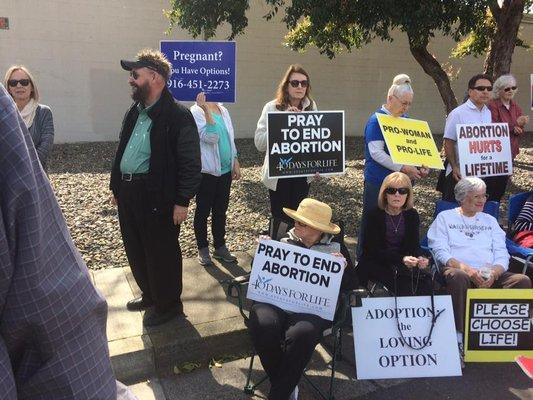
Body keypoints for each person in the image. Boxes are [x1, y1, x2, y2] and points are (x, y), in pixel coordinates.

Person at [0, 83, 118, 398]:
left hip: (33, 180)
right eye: (13, 83)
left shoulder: (27, 116)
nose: (18, 88)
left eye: (24, 82)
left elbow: (54, 310)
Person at [109, 49, 201, 327]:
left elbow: (189, 163)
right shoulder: (134, 112)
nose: (131, 80)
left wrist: (182, 201)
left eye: (135, 75)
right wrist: (116, 185)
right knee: (135, 247)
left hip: (157, 196)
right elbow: (123, 149)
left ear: (155, 78)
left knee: (161, 252)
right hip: (128, 193)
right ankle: (151, 295)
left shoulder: (177, 116)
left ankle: (169, 305)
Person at [247, 198, 358, 400]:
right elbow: (260, 276)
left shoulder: (335, 249)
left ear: (317, 228)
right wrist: (261, 254)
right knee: (261, 322)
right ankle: (287, 385)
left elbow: (352, 284)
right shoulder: (283, 242)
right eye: (296, 221)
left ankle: (279, 393)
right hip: (277, 303)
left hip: (311, 308)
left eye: (301, 222)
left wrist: (342, 270)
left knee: (303, 333)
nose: (294, 225)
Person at [428, 177, 531, 361]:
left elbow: (501, 252)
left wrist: (495, 272)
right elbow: (440, 251)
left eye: (484, 195)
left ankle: (507, 338)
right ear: (462, 197)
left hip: (489, 272)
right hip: (458, 270)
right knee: (458, 277)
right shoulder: (445, 218)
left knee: (521, 281)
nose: (482, 200)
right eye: (477, 196)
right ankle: (458, 338)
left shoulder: (490, 221)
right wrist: (467, 270)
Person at [358, 74, 429, 258]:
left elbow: (413, 149)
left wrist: (421, 165)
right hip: (378, 181)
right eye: (403, 103)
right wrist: (403, 168)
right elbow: (376, 153)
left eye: (409, 104)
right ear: (390, 98)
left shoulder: (405, 119)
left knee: (397, 222)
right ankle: (363, 261)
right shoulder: (376, 120)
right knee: (372, 221)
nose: (406, 108)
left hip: (402, 182)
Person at [255, 65, 318, 228]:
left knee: (299, 219)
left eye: (304, 83)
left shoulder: (312, 107)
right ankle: (278, 248)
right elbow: (259, 143)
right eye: (295, 83)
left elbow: (316, 142)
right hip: (279, 173)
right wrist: (283, 122)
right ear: (286, 85)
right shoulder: (271, 108)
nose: (299, 87)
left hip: (302, 172)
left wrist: (320, 164)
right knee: (279, 219)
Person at [358, 172, 432, 295]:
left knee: (426, 284)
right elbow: (371, 250)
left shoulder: (412, 215)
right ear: (385, 194)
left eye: (402, 191)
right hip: (377, 263)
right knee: (404, 286)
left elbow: (414, 246)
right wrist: (401, 259)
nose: (397, 194)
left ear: (408, 195)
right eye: (392, 190)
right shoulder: (374, 215)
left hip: (402, 265)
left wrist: (420, 258)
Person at [190, 92, 241, 266]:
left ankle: (220, 246)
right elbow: (210, 138)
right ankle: (202, 248)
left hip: (225, 170)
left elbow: (229, 138)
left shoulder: (223, 109)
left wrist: (235, 159)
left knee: (221, 210)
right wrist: (205, 110)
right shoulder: (196, 111)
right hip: (208, 172)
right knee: (203, 211)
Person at [439, 73, 507, 202]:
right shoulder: (458, 113)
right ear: (470, 91)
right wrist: (454, 167)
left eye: (489, 88)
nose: (485, 91)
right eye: (481, 88)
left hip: (481, 173)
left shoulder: (488, 113)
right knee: (454, 210)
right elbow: (448, 142)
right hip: (459, 174)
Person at [486, 74, 530, 200]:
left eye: (513, 88)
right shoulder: (492, 105)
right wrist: (514, 126)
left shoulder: (516, 107)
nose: (510, 91)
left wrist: (519, 128)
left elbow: (520, 130)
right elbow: (493, 127)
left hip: (510, 151)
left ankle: (494, 211)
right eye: (507, 88)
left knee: (501, 187)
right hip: (494, 152)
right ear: (498, 90)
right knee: (490, 185)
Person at [3, 65, 54, 170]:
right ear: (9, 89)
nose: (19, 85)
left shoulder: (44, 112)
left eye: (24, 82)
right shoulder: (4, 115)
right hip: (8, 177)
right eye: (13, 83)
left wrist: (24, 168)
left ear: (31, 87)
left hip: (36, 177)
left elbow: (45, 146)